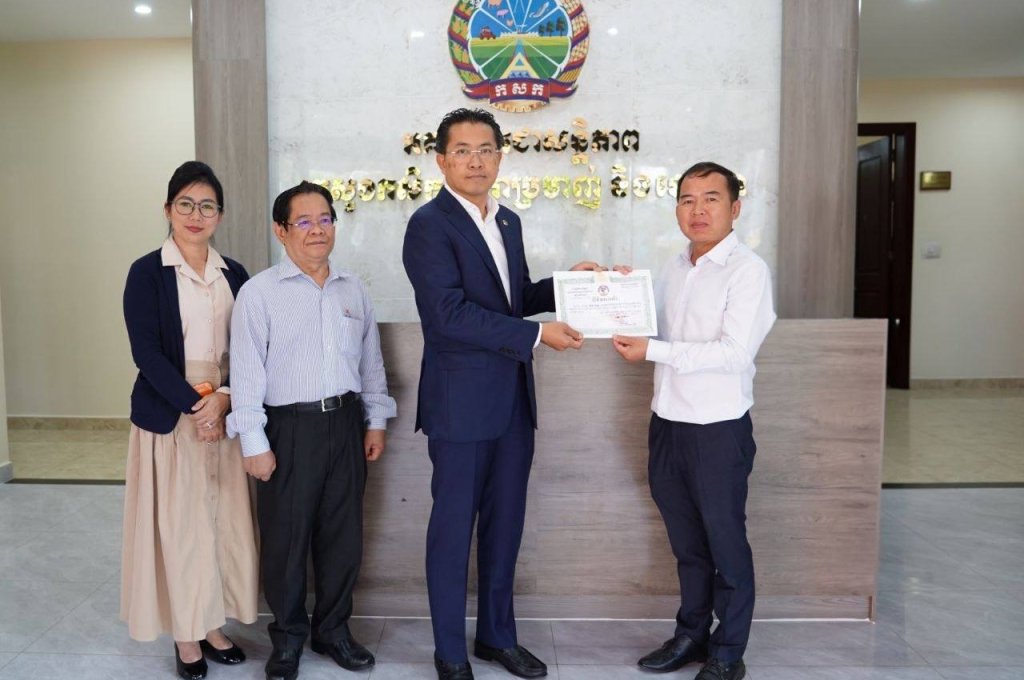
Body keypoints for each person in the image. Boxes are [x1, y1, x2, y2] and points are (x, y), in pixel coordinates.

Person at [402, 107, 611, 680]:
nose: (476, 161)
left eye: (486, 150)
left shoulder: (508, 222)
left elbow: (513, 297)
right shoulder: (429, 225)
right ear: (441, 160)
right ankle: (450, 652)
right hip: (460, 407)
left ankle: (497, 636)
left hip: (513, 402)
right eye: (463, 151)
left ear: (499, 156)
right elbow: (447, 315)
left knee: (505, 525)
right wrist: (538, 335)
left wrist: (568, 286)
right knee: (452, 532)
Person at [611, 162, 776, 680]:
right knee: (687, 544)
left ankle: (729, 653)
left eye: (710, 198)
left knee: (725, 543)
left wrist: (654, 349)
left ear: (735, 208)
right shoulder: (675, 266)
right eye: (687, 199)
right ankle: (691, 635)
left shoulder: (747, 271)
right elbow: (655, 330)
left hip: (717, 429)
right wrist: (618, 294)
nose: (697, 210)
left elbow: (734, 353)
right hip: (668, 422)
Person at [227, 181, 397, 680]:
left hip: (345, 423)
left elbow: (370, 362)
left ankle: (333, 631)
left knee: (342, 538)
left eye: (325, 219)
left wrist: (376, 420)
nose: (317, 229)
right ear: (280, 230)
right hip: (288, 428)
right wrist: (254, 443)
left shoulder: (352, 288)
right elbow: (246, 373)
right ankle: (287, 639)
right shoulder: (259, 293)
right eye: (303, 221)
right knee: (286, 540)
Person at [121, 161, 258, 680]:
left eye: (207, 206)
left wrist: (224, 398)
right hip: (170, 410)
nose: (195, 214)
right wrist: (195, 406)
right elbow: (146, 352)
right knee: (181, 528)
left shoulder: (235, 274)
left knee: (222, 523)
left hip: (226, 409)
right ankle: (186, 634)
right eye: (185, 204)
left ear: (220, 215)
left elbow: (252, 347)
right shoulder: (146, 272)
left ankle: (214, 625)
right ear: (168, 209)